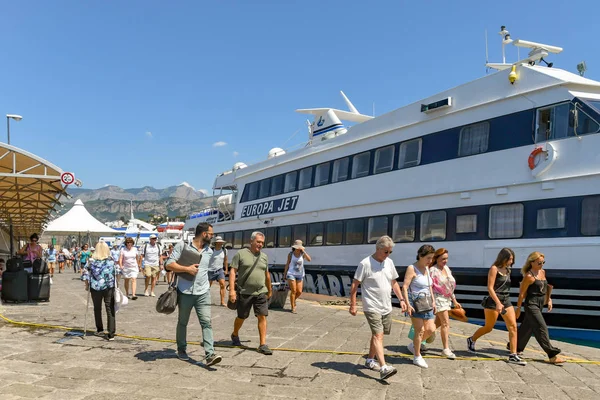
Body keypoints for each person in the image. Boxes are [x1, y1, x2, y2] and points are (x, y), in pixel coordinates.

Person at [349, 236, 406, 380]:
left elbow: (393, 282)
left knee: (379, 335)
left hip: (386, 306)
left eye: (390, 252)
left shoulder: (389, 262)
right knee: (378, 335)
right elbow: (355, 285)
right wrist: (353, 304)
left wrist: (402, 299)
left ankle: (369, 360)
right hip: (371, 305)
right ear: (378, 249)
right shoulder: (365, 264)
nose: (388, 255)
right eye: (386, 252)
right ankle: (384, 367)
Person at [165, 222, 222, 366]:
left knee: (206, 322)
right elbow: (168, 264)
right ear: (204, 234)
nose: (212, 237)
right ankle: (182, 349)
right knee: (183, 322)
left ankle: (210, 354)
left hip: (203, 292)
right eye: (211, 234)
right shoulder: (182, 246)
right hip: (185, 292)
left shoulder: (209, 251)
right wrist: (186, 269)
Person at [466, 248, 526, 365]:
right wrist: (498, 303)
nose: (511, 261)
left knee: (513, 326)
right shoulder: (494, 269)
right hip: (493, 301)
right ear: (503, 258)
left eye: (512, 259)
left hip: (506, 300)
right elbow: (490, 288)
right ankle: (471, 339)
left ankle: (513, 355)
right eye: (510, 259)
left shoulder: (508, 270)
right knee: (489, 327)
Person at [229, 231, 273, 355]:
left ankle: (262, 344)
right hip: (244, 292)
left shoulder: (264, 257)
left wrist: (269, 290)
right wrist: (232, 291)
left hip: (260, 291)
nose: (260, 245)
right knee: (242, 316)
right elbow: (233, 272)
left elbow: (266, 274)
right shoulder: (241, 254)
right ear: (251, 241)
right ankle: (235, 334)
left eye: (262, 243)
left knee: (262, 316)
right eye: (258, 242)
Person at [515, 252, 564, 364]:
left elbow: (545, 287)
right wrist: (518, 308)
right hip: (531, 304)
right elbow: (522, 294)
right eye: (539, 262)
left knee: (527, 327)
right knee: (541, 327)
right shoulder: (529, 276)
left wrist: (549, 299)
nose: (542, 264)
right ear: (532, 262)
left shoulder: (543, 272)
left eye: (543, 262)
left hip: (541, 303)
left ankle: (516, 347)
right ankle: (552, 355)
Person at [402, 245, 437, 369]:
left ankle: (413, 345)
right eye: (428, 258)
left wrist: (433, 301)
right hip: (415, 302)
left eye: (432, 258)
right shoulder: (412, 268)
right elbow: (405, 287)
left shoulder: (427, 268)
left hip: (427, 302)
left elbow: (429, 287)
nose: (430, 261)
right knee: (420, 330)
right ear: (420, 256)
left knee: (431, 329)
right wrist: (407, 303)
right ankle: (417, 356)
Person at [428, 248, 462, 359]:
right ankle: (446, 349)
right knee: (446, 323)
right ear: (436, 258)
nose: (445, 261)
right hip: (438, 299)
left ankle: (416, 342)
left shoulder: (446, 269)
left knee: (436, 324)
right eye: (443, 259)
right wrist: (432, 301)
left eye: (446, 258)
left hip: (446, 300)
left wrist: (454, 300)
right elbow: (430, 287)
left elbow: (449, 286)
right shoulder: (433, 270)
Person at [83, 241, 116, 341]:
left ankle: (99, 328)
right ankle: (111, 333)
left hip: (95, 287)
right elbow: (117, 273)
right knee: (109, 308)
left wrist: (87, 285)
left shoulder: (91, 262)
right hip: (108, 287)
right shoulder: (111, 261)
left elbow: (85, 275)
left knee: (97, 308)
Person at [282, 240, 311, 314]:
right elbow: (287, 264)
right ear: (294, 248)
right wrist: (284, 274)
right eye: (297, 247)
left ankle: (293, 300)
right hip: (291, 273)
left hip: (300, 275)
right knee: (294, 290)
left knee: (299, 291)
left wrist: (304, 252)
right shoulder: (291, 254)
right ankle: (293, 307)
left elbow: (309, 259)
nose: (298, 249)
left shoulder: (302, 254)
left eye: (300, 247)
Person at [208, 236, 228, 307]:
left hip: (220, 270)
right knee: (207, 287)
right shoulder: (211, 250)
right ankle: (205, 300)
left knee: (223, 284)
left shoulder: (224, 250)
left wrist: (226, 269)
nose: (220, 243)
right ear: (216, 243)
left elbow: (225, 260)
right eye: (219, 242)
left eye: (221, 242)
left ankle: (222, 302)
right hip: (210, 270)